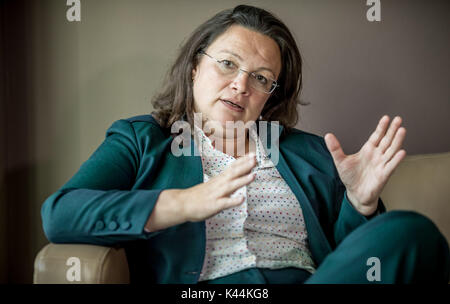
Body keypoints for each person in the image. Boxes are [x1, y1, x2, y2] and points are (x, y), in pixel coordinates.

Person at [41, 5, 449, 284]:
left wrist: (359, 203)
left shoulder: (311, 153)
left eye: (261, 77)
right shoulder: (140, 139)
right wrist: (182, 203)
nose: (240, 84)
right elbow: (61, 214)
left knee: (412, 231)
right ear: (195, 65)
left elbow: (351, 263)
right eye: (228, 63)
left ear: (271, 93)